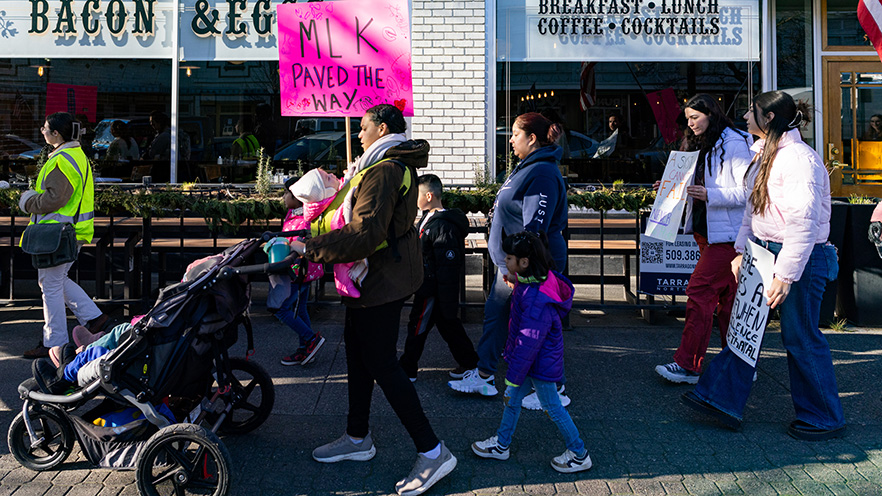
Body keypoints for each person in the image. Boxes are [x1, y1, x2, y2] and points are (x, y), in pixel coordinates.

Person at [288, 104, 456, 496]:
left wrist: (309, 248)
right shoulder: (383, 164)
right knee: (357, 357)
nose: (358, 135)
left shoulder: (384, 170)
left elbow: (364, 233)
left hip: (380, 281)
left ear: (382, 128)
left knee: (381, 363)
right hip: (374, 278)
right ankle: (357, 436)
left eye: (363, 128)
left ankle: (433, 451)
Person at [681, 91, 846, 441]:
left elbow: (803, 221)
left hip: (798, 255)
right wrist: (742, 251)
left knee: (799, 336)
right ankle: (719, 398)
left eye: (751, 112)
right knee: (746, 331)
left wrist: (785, 275)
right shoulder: (764, 155)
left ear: (768, 119)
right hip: (767, 251)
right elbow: (753, 210)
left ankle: (824, 417)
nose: (743, 117)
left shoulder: (800, 159)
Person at [448, 112, 570, 410]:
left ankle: (553, 389)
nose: (511, 139)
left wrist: (518, 269)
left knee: (535, 325)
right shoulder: (527, 168)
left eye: (515, 133)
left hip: (528, 268)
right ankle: (486, 374)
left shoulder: (541, 172)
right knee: (500, 316)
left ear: (532, 138)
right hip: (515, 266)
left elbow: (534, 228)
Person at [470, 231, 591, 473]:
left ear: (524, 262)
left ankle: (579, 453)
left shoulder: (536, 299)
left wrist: (513, 378)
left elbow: (528, 343)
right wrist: (517, 281)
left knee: (553, 408)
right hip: (534, 362)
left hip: (537, 365)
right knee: (512, 401)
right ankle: (502, 444)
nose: (506, 261)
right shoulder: (535, 283)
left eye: (510, 258)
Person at [654, 94, 753, 384]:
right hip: (712, 233)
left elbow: (748, 191)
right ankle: (738, 364)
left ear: (710, 114)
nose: (690, 123)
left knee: (699, 291)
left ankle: (688, 365)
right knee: (727, 299)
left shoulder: (732, 143)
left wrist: (709, 195)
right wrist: (673, 186)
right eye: (688, 118)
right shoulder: (713, 141)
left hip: (725, 236)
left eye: (694, 117)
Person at [19, 112, 109, 358]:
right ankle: (94, 318)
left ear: (56, 134)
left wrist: (27, 201)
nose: (42, 131)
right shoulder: (76, 155)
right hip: (69, 232)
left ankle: (53, 344)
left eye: (45, 128)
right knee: (57, 281)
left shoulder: (61, 160)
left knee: (50, 285)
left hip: (57, 234)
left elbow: (55, 199)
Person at [398, 174, 479, 382]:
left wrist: (445, 298)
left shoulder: (443, 226)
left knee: (419, 325)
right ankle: (470, 363)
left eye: (416, 195)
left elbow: (448, 266)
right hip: (428, 285)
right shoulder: (428, 218)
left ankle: (408, 368)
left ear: (428, 195)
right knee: (448, 326)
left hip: (431, 288)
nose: (413, 199)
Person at [275, 176, 326, 366]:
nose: (284, 197)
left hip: (297, 272)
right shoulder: (299, 214)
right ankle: (305, 349)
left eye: (286, 193)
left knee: (281, 309)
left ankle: (311, 339)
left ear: (296, 197)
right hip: (305, 272)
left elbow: (295, 246)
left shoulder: (300, 220)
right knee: (300, 308)